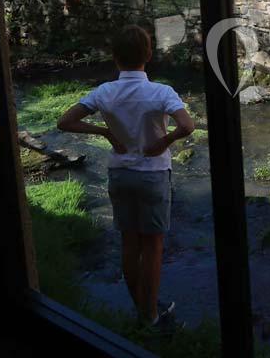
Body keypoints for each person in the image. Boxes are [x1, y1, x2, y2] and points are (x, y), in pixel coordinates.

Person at [57, 25, 195, 326]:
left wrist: (104, 130)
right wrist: (165, 141)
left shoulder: (104, 92)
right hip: (153, 176)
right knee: (153, 245)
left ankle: (140, 307)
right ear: (148, 54)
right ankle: (151, 314)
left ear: (114, 57)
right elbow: (187, 126)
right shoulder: (161, 92)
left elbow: (64, 122)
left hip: (120, 174)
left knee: (130, 243)